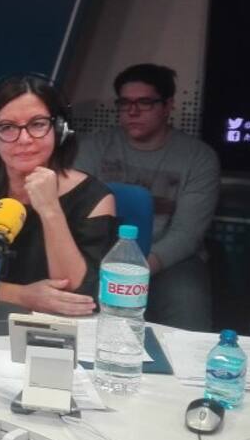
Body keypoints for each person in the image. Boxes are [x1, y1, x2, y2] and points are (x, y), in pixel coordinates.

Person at [0, 74, 117, 316]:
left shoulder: (95, 198)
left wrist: (50, 210)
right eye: (7, 127)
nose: (24, 139)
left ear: (59, 129)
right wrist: (21, 296)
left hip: (56, 328)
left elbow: (78, 296)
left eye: (37, 124)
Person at [74, 64, 218, 331]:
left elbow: (187, 234)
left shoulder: (198, 157)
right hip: (99, 254)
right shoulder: (92, 148)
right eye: (125, 103)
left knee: (187, 302)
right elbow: (75, 212)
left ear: (168, 105)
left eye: (145, 103)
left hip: (169, 259)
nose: (132, 112)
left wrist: (135, 271)